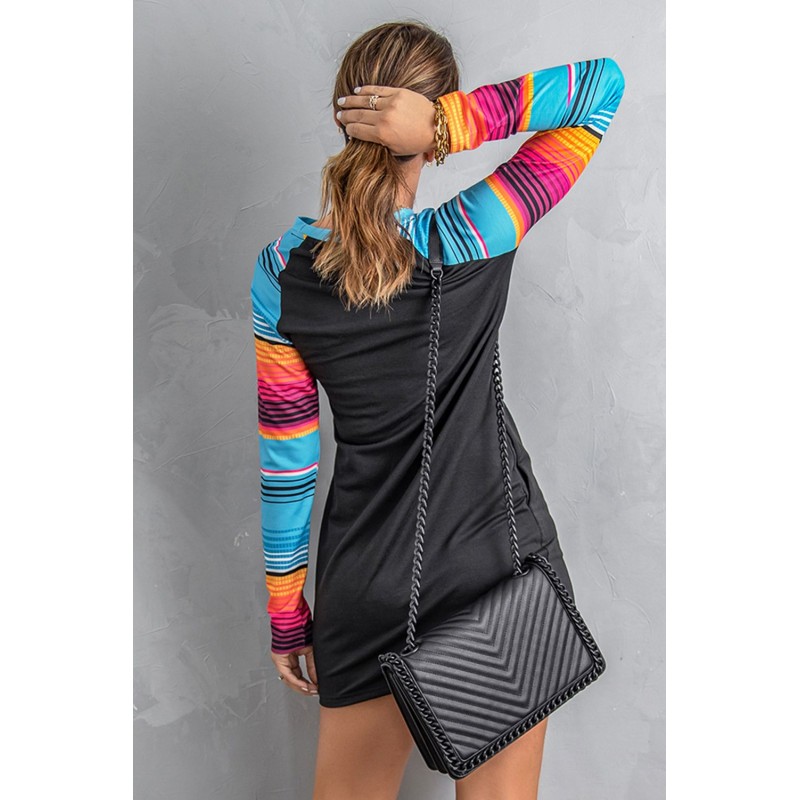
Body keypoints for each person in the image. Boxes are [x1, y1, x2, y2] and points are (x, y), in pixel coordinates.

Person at [250, 19, 625, 800]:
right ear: (427, 121)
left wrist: (288, 612)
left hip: (363, 584)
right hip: (491, 569)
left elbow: (289, 464)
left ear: (344, 111)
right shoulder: (472, 232)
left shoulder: (280, 272)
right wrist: (452, 125)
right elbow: (600, 89)